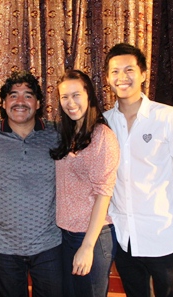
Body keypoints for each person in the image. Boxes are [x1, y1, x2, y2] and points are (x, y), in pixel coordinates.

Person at [103, 43, 173, 297]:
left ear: (143, 74)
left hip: (164, 236)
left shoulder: (168, 117)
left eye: (129, 70)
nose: (122, 77)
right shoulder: (104, 122)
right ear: (107, 78)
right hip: (124, 238)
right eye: (114, 71)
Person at [0, 71, 63, 297]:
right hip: (2, 244)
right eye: (13, 96)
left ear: (39, 103)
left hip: (50, 243)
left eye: (28, 95)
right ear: (4, 103)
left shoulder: (58, 134)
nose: (20, 102)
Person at [50, 70, 120, 296]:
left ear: (89, 95)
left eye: (76, 95)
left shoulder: (102, 136)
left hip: (92, 236)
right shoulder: (68, 133)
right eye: (64, 97)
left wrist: (87, 247)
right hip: (65, 234)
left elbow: (104, 195)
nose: (70, 103)